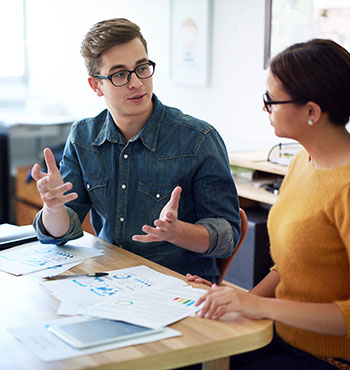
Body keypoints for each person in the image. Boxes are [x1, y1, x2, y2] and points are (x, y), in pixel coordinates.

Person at [187, 39, 350, 369]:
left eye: (270, 100)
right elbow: (292, 267)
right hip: (283, 336)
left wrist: (260, 308)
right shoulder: (304, 161)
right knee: (188, 353)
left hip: (332, 360)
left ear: (312, 111)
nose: (265, 108)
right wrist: (242, 300)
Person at [31, 18, 241, 283]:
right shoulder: (84, 136)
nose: (137, 83)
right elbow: (61, 235)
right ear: (96, 85)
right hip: (108, 281)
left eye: (142, 68)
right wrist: (53, 208)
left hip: (178, 286)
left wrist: (177, 232)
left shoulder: (199, 140)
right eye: (119, 74)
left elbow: (228, 237)